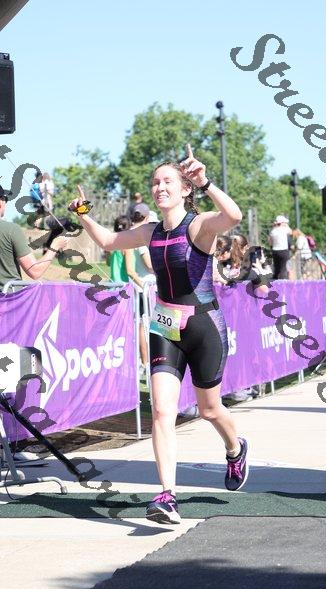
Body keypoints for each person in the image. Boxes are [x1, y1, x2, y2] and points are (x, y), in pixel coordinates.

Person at [68, 144, 248, 525]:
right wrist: (83, 215)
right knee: (163, 412)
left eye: (168, 181)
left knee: (209, 409)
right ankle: (167, 496)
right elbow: (108, 242)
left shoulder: (198, 226)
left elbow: (233, 216)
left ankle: (235, 448)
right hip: (164, 326)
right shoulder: (150, 231)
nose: (159, 187)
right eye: (155, 182)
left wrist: (207, 182)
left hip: (203, 327)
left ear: (185, 189)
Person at [0, 185, 67, 290]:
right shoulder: (12, 230)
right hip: (8, 298)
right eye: (6, 199)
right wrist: (55, 246)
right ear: (1, 202)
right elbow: (35, 272)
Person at [128, 202, 155, 371]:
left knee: (142, 325)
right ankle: (147, 363)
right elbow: (150, 265)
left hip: (140, 289)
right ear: (147, 218)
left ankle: (145, 363)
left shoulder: (129, 235)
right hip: (147, 289)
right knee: (145, 327)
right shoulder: (140, 238)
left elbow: (130, 270)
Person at [108, 215, 133, 283]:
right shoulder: (127, 246)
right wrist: (142, 285)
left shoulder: (110, 244)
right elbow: (130, 271)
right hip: (124, 286)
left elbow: (108, 263)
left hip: (112, 284)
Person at [269, 215, 292, 279]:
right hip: (283, 251)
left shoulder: (273, 231)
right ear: (282, 223)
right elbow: (291, 232)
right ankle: (283, 281)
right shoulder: (284, 229)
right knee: (283, 268)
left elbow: (270, 242)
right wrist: (286, 225)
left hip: (275, 251)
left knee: (276, 267)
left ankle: (274, 281)